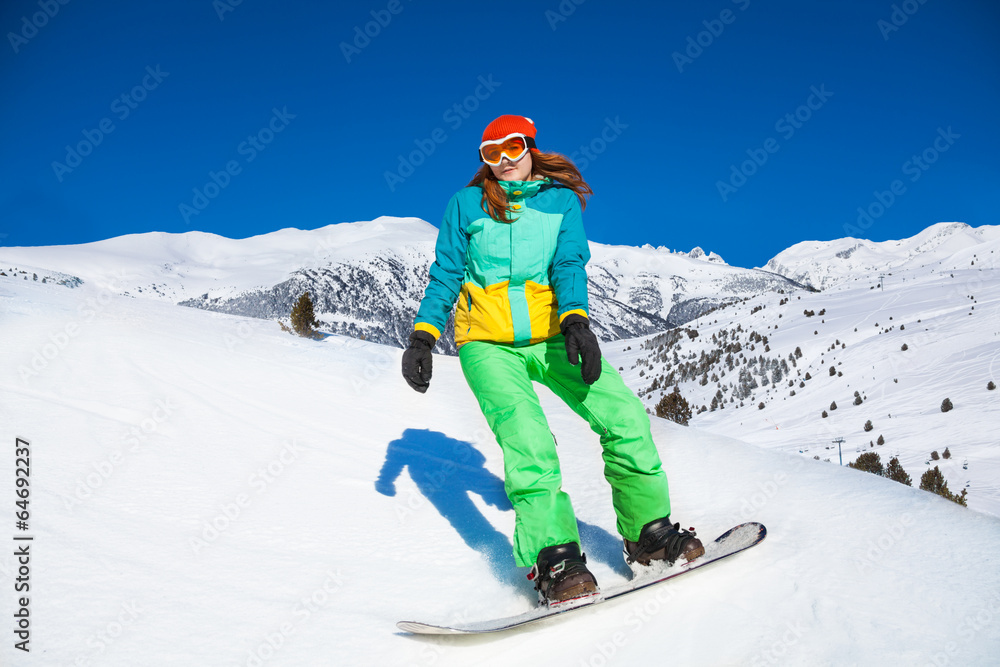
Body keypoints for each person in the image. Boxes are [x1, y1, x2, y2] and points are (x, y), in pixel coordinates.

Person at [401, 114, 703, 606]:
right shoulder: (466, 204)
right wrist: (423, 335)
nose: (503, 161)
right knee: (530, 441)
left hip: (551, 334)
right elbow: (447, 273)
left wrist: (577, 323)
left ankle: (648, 534)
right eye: (490, 154)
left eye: (512, 148)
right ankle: (555, 558)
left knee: (624, 416)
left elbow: (568, 264)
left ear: (531, 147)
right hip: (487, 343)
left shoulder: (560, 203)